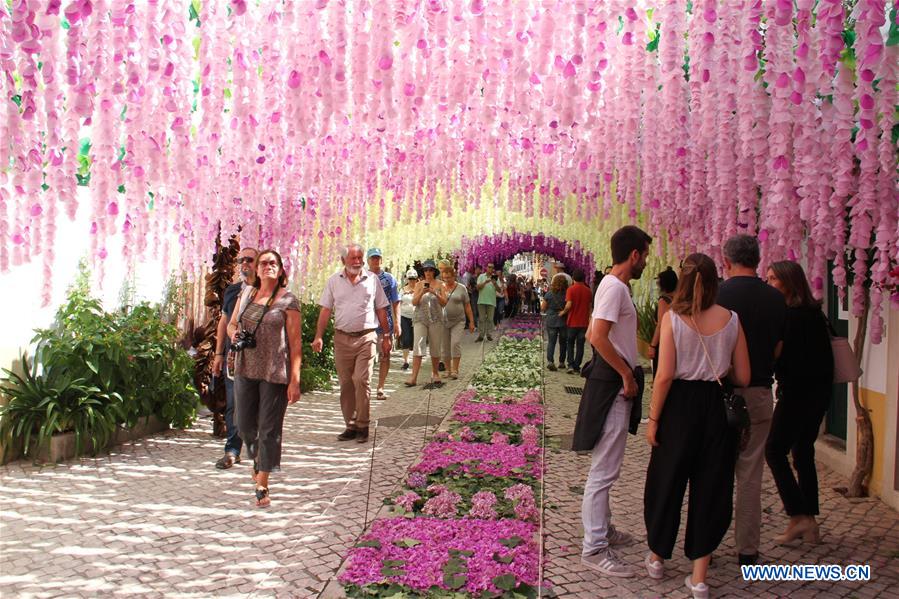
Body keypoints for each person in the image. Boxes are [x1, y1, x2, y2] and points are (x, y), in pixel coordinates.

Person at [643, 253, 750, 598]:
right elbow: (744, 376)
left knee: (667, 480)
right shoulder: (732, 319)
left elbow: (663, 376)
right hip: (717, 410)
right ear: (715, 281)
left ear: (683, 282)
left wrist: (654, 420)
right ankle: (699, 579)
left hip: (678, 408)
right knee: (712, 487)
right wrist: (720, 366)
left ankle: (658, 558)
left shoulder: (673, 319)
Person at [571, 225, 652, 577]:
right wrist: (625, 374)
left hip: (614, 385)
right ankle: (594, 547)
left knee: (608, 467)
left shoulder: (613, 286)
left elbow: (607, 334)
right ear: (634, 255)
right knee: (603, 471)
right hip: (612, 388)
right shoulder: (615, 287)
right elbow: (596, 336)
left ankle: (604, 529)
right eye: (645, 255)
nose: (646, 262)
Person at [716, 234, 786, 565]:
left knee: (712, 471)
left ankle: (706, 548)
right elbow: (778, 349)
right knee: (750, 474)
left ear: (726, 261)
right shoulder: (775, 298)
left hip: (719, 395)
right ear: (757, 260)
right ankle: (747, 550)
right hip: (759, 393)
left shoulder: (716, 294)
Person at [764, 260, 834, 545]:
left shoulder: (791, 317)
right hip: (818, 394)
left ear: (788, 283)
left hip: (798, 393)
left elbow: (786, 358)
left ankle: (799, 516)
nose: (768, 284)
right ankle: (810, 523)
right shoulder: (816, 314)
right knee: (803, 452)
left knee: (774, 450)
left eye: (773, 280)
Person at [227, 249, 302, 508]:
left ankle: (262, 483)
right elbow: (232, 324)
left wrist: (295, 380)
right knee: (244, 424)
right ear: (257, 270)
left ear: (280, 270)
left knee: (269, 429)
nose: (267, 266)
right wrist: (234, 334)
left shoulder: (288, 301)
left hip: (274, 372)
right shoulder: (247, 294)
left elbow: (295, 344)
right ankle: (258, 459)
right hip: (245, 367)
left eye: (273, 263)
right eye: (263, 263)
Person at [312, 243, 392, 444]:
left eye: (359, 258)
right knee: (346, 383)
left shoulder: (372, 280)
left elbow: (382, 308)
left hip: (367, 336)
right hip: (342, 338)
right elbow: (325, 310)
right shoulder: (333, 281)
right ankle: (351, 425)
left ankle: (363, 425)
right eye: (353, 258)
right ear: (343, 261)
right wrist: (318, 336)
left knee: (361, 379)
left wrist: (388, 336)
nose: (357, 262)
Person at [212, 246, 258, 469]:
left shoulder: (267, 292)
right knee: (233, 404)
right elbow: (224, 322)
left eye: (250, 259)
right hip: (234, 357)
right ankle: (232, 450)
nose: (245, 263)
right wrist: (218, 354)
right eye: (242, 260)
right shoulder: (232, 291)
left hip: (259, 358)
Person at [405, 260, 448, 386]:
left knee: (435, 347)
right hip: (420, 319)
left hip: (436, 319)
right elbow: (414, 302)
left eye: (430, 270)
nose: (428, 272)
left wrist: (434, 292)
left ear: (434, 271)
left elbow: (444, 303)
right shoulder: (419, 285)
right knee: (418, 346)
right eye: (425, 270)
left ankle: (435, 373)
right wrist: (422, 292)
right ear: (422, 272)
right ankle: (413, 377)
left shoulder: (441, 284)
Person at [366, 248, 401, 400]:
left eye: (378, 258)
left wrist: (398, 323)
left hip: (385, 323)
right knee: (365, 358)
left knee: (385, 356)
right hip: (366, 324)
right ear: (368, 260)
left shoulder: (389, 278)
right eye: (373, 258)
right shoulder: (362, 277)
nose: (375, 260)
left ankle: (380, 387)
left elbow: (395, 301)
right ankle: (365, 387)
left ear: (381, 260)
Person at [441, 266, 476, 379]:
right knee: (445, 346)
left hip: (458, 320)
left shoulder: (461, 288)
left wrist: (471, 322)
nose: (447, 279)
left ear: (454, 276)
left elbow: (467, 306)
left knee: (455, 343)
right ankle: (447, 369)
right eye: (444, 277)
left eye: (449, 277)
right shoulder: (440, 287)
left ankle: (455, 369)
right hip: (443, 321)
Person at [560, 268, 593, 374]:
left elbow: (569, 304)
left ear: (573, 278)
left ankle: (570, 364)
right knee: (580, 345)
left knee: (570, 343)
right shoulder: (588, 291)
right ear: (583, 279)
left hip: (572, 322)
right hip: (583, 322)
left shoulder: (571, 289)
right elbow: (590, 307)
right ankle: (577, 365)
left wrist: (563, 312)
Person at [648, 267, 679, 375]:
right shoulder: (680, 299)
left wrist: (652, 346)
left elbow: (661, 325)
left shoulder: (664, 300)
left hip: (665, 340)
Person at [541, 273, 569, 371]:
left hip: (551, 319)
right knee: (563, 342)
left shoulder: (549, 293)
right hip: (563, 320)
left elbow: (543, 308)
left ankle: (550, 361)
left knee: (551, 342)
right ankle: (561, 362)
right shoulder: (567, 293)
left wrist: (550, 308)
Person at [398, 269, 418, 370]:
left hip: (417, 317)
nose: (412, 281)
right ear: (407, 279)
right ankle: (406, 361)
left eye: (414, 279)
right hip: (404, 316)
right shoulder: (403, 290)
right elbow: (398, 304)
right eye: (410, 278)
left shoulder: (420, 289)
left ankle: (416, 361)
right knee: (406, 339)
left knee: (415, 340)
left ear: (416, 279)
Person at [476, 263, 499, 341]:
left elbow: (499, 290)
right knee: (481, 319)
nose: (491, 269)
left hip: (491, 301)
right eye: (489, 267)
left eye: (492, 267)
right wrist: (485, 282)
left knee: (490, 319)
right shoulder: (481, 276)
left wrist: (495, 284)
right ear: (486, 268)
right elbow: (478, 287)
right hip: (481, 301)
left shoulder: (495, 278)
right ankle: (481, 336)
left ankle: (489, 334)